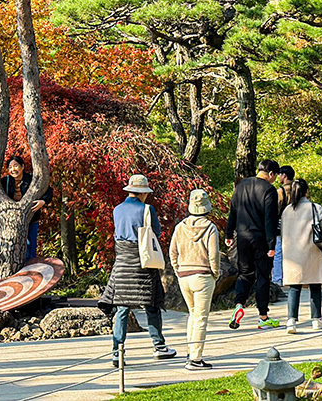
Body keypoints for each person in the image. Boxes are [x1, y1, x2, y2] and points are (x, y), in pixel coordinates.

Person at [97, 174, 177, 366]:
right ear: (143, 193)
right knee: (151, 304)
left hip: (122, 262)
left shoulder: (117, 210)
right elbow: (155, 233)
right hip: (143, 261)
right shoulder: (147, 209)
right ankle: (159, 346)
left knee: (122, 307)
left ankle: (117, 352)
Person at [169, 189, 222, 371]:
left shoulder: (180, 227)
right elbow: (213, 254)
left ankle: (191, 351)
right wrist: (216, 273)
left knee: (192, 315)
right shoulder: (210, 227)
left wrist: (178, 270)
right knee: (200, 318)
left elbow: (172, 252)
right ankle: (196, 358)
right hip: (203, 275)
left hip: (184, 275)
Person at [225, 159, 280, 329]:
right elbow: (270, 220)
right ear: (271, 173)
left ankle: (239, 305)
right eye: (275, 176)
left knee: (244, 273)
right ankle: (263, 316)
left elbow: (233, 210)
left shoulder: (241, 185)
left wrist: (229, 233)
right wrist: (272, 244)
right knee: (263, 275)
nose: (275, 179)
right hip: (261, 239)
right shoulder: (269, 190)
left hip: (242, 237)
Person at [277, 179, 322, 334]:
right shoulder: (314, 207)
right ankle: (316, 319)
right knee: (315, 285)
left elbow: (281, 231)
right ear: (306, 191)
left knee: (294, 287)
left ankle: (291, 320)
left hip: (292, 253)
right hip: (311, 249)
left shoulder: (287, 210)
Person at [1, 155, 53, 262]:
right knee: (14, 247)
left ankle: (30, 270)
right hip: (12, 221)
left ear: (22, 166)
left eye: (15, 166)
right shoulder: (5, 181)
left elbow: (48, 190)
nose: (13, 169)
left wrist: (43, 201)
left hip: (31, 218)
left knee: (31, 245)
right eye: (10, 167)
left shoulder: (31, 180)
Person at [272, 166, 295, 286]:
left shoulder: (280, 191)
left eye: (280, 174)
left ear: (284, 175)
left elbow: (276, 209)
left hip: (282, 226)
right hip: (296, 226)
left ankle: (277, 279)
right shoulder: (298, 189)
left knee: (278, 254)